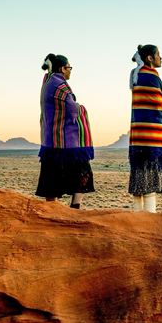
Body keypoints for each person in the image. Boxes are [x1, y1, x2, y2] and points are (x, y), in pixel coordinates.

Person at [36, 53, 95, 208]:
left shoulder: (47, 82)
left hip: (50, 140)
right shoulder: (59, 85)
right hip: (66, 141)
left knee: (51, 177)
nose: (70, 71)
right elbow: (72, 109)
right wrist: (82, 108)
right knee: (82, 171)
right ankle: (75, 207)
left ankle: (52, 208)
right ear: (62, 68)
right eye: (69, 68)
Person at [128, 44, 162, 212]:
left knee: (139, 177)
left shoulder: (137, 75)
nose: (160, 58)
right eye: (158, 55)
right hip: (152, 139)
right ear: (149, 58)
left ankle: (136, 219)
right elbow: (158, 107)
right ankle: (149, 220)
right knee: (150, 180)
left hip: (138, 137)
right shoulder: (150, 77)